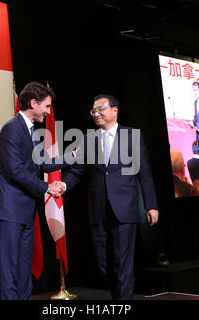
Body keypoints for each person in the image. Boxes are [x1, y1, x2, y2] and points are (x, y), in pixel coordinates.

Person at [63, 94, 159, 300]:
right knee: (104, 265)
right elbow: (78, 171)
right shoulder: (88, 140)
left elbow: (144, 172)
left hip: (124, 208)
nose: (96, 113)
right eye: (93, 111)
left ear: (115, 110)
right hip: (98, 209)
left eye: (100, 109)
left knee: (122, 262)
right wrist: (63, 184)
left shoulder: (132, 136)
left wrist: (151, 205)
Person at [0, 81, 69, 300]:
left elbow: (41, 163)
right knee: (11, 267)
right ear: (34, 103)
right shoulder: (11, 129)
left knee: (24, 267)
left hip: (24, 210)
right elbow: (15, 170)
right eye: (47, 106)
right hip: (9, 209)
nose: (48, 111)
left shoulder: (29, 131)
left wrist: (71, 158)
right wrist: (47, 188)